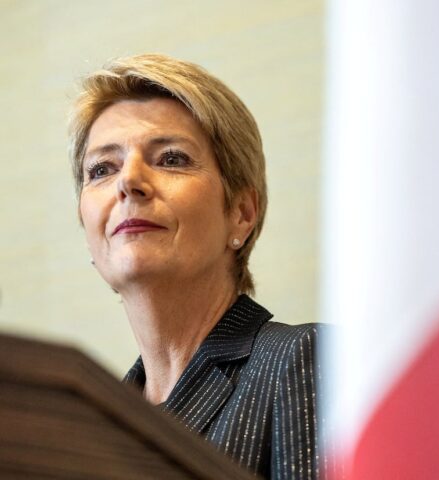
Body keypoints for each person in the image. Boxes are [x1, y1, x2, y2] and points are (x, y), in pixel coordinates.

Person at [68, 54, 324, 479]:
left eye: (171, 159)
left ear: (241, 213)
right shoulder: (89, 432)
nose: (128, 182)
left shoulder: (306, 361)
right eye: (101, 169)